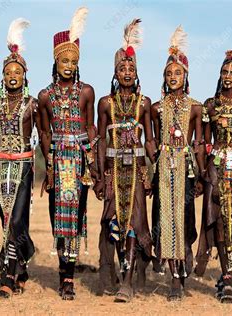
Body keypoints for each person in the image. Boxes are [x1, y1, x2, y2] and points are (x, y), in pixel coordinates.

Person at [94, 18, 156, 303]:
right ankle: (116, 273)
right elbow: (101, 140)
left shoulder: (145, 103)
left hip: (136, 172)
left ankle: (128, 280)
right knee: (113, 225)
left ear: (137, 72)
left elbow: (151, 140)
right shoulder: (105, 103)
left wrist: (153, 173)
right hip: (112, 173)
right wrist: (97, 175)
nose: (127, 72)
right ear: (115, 72)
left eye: (131, 68)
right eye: (122, 68)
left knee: (133, 223)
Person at [38, 7, 98, 300]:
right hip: (57, 162)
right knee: (57, 218)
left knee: (75, 218)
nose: (69, 66)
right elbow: (45, 133)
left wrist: (93, 163)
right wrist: (49, 165)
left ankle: (68, 277)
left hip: (80, 162)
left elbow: (90, 126)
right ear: (56, 60)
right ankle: (63, 268)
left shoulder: (87, 91)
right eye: (64, 60)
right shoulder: (45, 96)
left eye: (74, 61)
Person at [194, 49, 232, 303]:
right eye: (224, 72)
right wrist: (204, 171)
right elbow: (205, 142)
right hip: (216, 169)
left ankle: (230, 270)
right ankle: (226, 278)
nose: (228, 76)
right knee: (217, 219)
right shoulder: (211, 104)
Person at [150, 26, 204, 301]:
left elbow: (200, 144)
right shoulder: (156, 108)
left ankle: (186, 256)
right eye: (169, 74)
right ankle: (174, 279)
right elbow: (152, 143)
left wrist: (203, 177)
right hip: (163, 170)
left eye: (178, 73)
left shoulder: (196, 108)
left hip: (187, 170)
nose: (173, 77)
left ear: (186, 76)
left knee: (186, 221)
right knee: (165, 221)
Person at [0, 18, 39, 299]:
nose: (13, 75)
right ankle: (22, 262)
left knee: (17, 219)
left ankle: (7, 275)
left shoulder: (32, 104)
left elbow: (41, 133)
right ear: (2, 76)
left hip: (23, 165)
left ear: (24, 76)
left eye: (17, 72)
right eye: (8, 71)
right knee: (5, 220)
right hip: (2, 167)